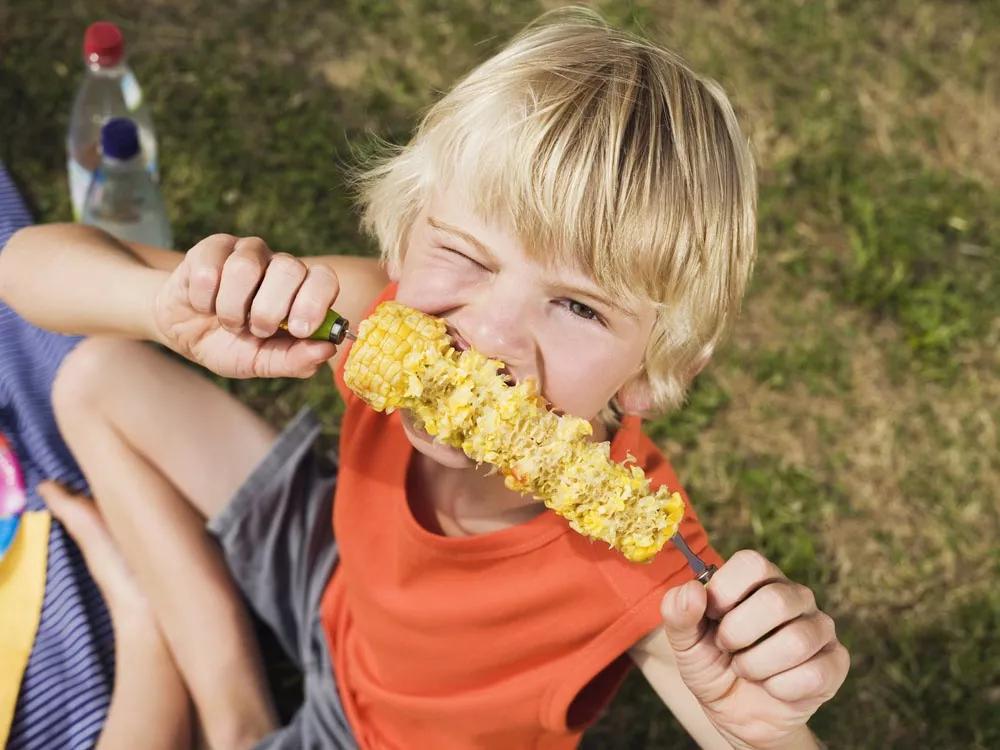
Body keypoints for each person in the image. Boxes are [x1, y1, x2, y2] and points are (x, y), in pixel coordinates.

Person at [0, 8, 848, 749]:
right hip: (338, 581)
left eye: (580, 308)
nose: (488, 334)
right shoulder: (376, 308)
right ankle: (235, 709)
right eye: (464, 255)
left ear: (655, 374)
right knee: (97, 375)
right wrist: (165, 307)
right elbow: (26, 271)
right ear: (404, 237)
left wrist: (762, 729)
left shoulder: (638, 571)